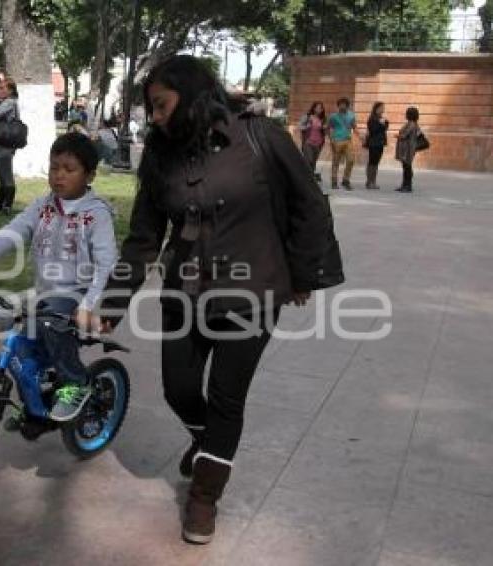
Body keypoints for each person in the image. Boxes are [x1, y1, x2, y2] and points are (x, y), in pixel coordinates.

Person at [95, 55, 333, 545]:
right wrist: (112, 303)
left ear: (192, 92)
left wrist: (302, 274)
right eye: (151, 109)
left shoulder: (259, 136)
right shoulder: (159, 155)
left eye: (160, 105)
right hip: (184, 294)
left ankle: (204, 495)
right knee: (177, 389)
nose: (155, 118)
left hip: (253, 295)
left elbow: (309, 204)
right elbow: (144, 238)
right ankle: (208, 445)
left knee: (227, 397)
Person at [0, 132, 118, 420]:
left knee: (51, 324)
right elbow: (11, 233)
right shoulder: (43, 207)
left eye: (69, 169)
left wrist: (87, 305)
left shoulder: (96, 214)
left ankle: (74, 383)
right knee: (24, 350)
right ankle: (37, 408)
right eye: (54, 167)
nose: (59, 176)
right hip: (45, 293)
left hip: (76, 294)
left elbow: (106, 263)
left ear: (89, 175)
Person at [0, 77, 20, 214]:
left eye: (2, 88)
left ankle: (7, 205)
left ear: (11, 90)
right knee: (0, 174)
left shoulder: (9, 103)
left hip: (4, 144)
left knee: (6, 175)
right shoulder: (5, 102)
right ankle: (0, 204)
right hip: (0, 143)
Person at [327, 97, 359, 190]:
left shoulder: (351, 116)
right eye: (341, 104)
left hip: (348, 140)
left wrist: (360, 135)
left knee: (351, 160)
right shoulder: (333, 116)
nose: (342, 106)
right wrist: (331, 139)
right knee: (336, 161)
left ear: (347, 105)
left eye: (344, 104)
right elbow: (328, 128)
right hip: (336, 140)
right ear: (338, 105)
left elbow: (354, 127)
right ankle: (334, 181)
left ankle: (345, 180)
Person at [298, 101, 327, 180]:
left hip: (318, 143)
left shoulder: (322, 119)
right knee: (309, 160)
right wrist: (308, 126)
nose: (319, 109)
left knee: (314, 161)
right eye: (317, 107)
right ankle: (306, 177)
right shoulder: (307, 117)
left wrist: (325, 128)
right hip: (308, 142)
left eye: (321, 108)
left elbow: (325, 132)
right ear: (313, 108)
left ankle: (310, 178)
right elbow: (300, 127)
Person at [395, 106, 421, 193]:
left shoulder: (411, 124)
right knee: (406, 166)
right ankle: (405, 185)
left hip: (408, 148)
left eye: (407, 113)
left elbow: (404, 135)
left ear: (409, 115)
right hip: (407, 147)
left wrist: (398, 136)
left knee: (407, 167)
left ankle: (408, 185)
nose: (405, 114)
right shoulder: (411, 124)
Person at [365, 102, 389, 190]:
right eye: (382, 107)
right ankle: (369, 181)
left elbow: (386, 127)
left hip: (380, 143)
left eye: (383, 107)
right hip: (373, 143)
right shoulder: (372, 118)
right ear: (376, 109)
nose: (383, 109)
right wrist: (381, 124)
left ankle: (373, 181)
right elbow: (373, 130)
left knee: (376, 163)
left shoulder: (381, 118)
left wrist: (384, 123)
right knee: (372, 162)